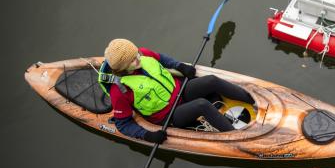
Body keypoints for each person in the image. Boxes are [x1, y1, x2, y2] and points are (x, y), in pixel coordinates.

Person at [98, 38, 255, 143]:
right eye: (133, 59)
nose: (138, 58)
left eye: (136, 53)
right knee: (202, 104)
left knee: (211, 80)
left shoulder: (142, 54)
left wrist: (179, 66)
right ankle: (239, 139)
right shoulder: (119, 91)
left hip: (180, 90)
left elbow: (162, 59)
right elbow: (123, 124)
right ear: (123, 68)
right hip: (170, 115)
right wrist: (147, 135)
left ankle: (252, 100)